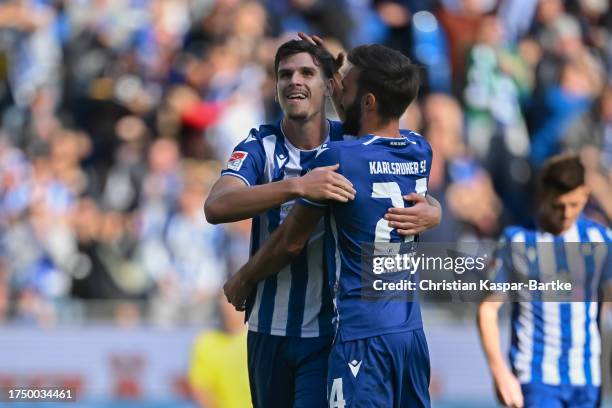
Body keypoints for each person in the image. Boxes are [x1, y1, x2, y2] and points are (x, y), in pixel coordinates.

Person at [205, 38, 441, 408]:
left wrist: (433, 208)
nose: (294, 81)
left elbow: (292, 240)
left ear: (329, 85)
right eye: (285, 74)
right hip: (268, 327)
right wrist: (296, 185)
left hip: (328, 333)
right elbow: (216, 205)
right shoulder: (259, 145)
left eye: (307, 73)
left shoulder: (345, 144)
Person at [477, 153, 612, 408]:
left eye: (574, 205)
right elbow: (487, 310)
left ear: (585, 194)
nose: (566, 213)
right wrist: (500, 373)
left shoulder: (600, 239)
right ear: (544, 196)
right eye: (558, 205)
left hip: (587, 378)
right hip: (535, 377)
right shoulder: (517, 241)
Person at [188, 295, 251, 408]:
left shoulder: (257, 341)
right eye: (225, 300)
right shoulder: (205, 342)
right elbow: (201, 389)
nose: (228, 306)